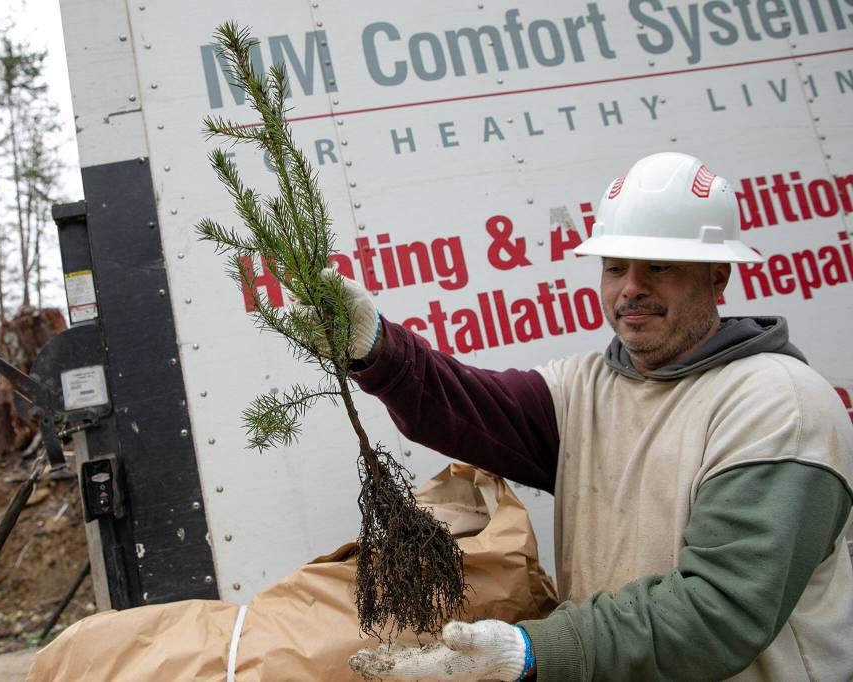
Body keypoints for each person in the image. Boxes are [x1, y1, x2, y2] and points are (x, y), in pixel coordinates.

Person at [332, 153, 853, 681]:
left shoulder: (776, 404)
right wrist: (378, 350)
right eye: (615, 267)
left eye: (660, 266)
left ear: (718, 277)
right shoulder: (585, 390)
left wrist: (534, 651)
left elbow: (717, 611)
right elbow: (466, 405)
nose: (632, 287)